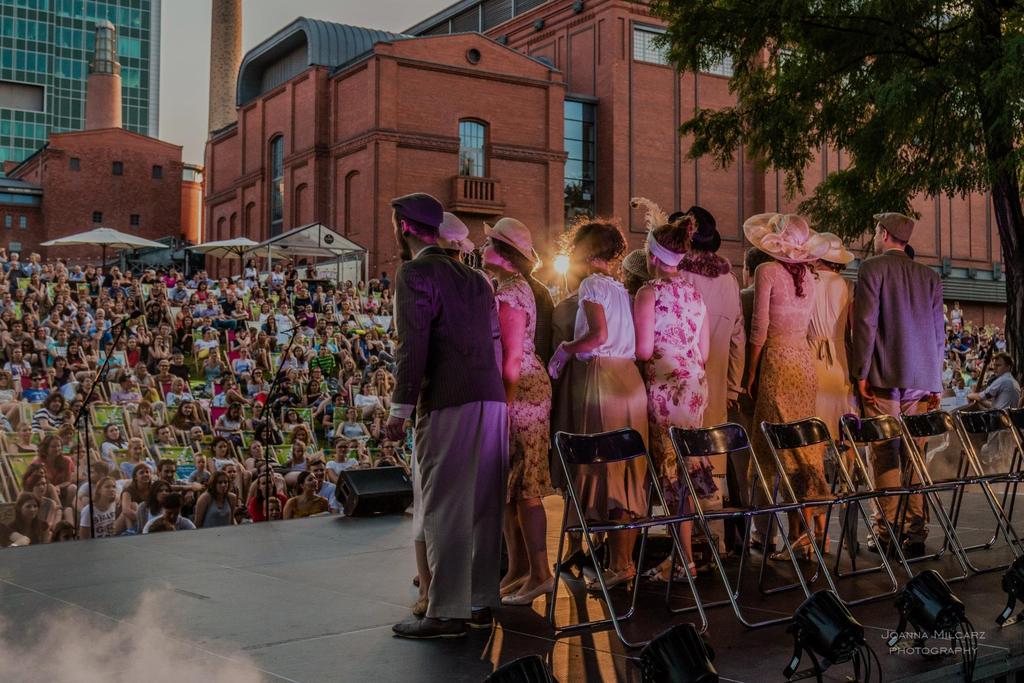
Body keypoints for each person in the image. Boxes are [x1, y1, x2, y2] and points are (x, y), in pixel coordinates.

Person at [385, 192, 508, 640]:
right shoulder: (478, 279)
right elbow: (494, 344)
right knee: (483, 504)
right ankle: (479, 602)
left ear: (405, 228)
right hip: (492, 399)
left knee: (443, 506)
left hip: (449, 399)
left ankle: (446, 611)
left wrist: (399, 409)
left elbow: (411, 345)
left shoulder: (414, 273)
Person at [548, 220, 648, 592]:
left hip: (603, 379)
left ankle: (619, 564)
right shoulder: (621, 289)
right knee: (627, 474)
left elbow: (597, 336)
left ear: (587, 253)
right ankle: (623, 561)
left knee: (603, 472)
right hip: (630, 381)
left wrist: (565, 349)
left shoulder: (591, 284)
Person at [850, 212, 945, 558]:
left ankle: (886, 531)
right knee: (915, 455)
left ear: (884, 234)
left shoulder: (872, 269)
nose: (874, 236)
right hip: (922, 378)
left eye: (876, 230)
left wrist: (860, 372)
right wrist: (936, 380)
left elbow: (865, 324)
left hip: (882, 376)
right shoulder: (930, 276)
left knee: (885, 451)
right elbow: (939, 333)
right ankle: (916, 530)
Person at [742, 213, 830, 560]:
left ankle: (798, 536)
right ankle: (808, 533)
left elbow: (759, 327)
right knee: (803, 447)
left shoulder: (766, 272)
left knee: (780, 450)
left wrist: (750, 373)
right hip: (804, 363)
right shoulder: (809, 276)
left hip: (777, 362)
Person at [480, 218, 555, 607]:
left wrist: (503, 406)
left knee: (526, 487)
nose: (481, 246)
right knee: (511, 488)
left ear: (505, 255)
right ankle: (519, 570)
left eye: (489, 242)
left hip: (521, 389)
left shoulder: (510, 295)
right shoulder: (508, 288)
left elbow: (511, 359)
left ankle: (540, 573)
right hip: (523, 385)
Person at [633, 216, 711, 581]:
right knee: (686, 467)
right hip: (694, 382)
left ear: (652, 254)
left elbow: (644, 348)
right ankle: (684, 557)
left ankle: (683, 562)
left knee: (670, 471)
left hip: (666, 386)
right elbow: (704, 349)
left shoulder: (648, 292)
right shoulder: (695, 293)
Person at [808, 234, 856, 440]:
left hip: (810, 356)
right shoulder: (848, 285)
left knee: (812, 430)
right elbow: (854, 329)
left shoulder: (807, 282)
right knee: (843, 430)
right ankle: (845, 469)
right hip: (841, 358)